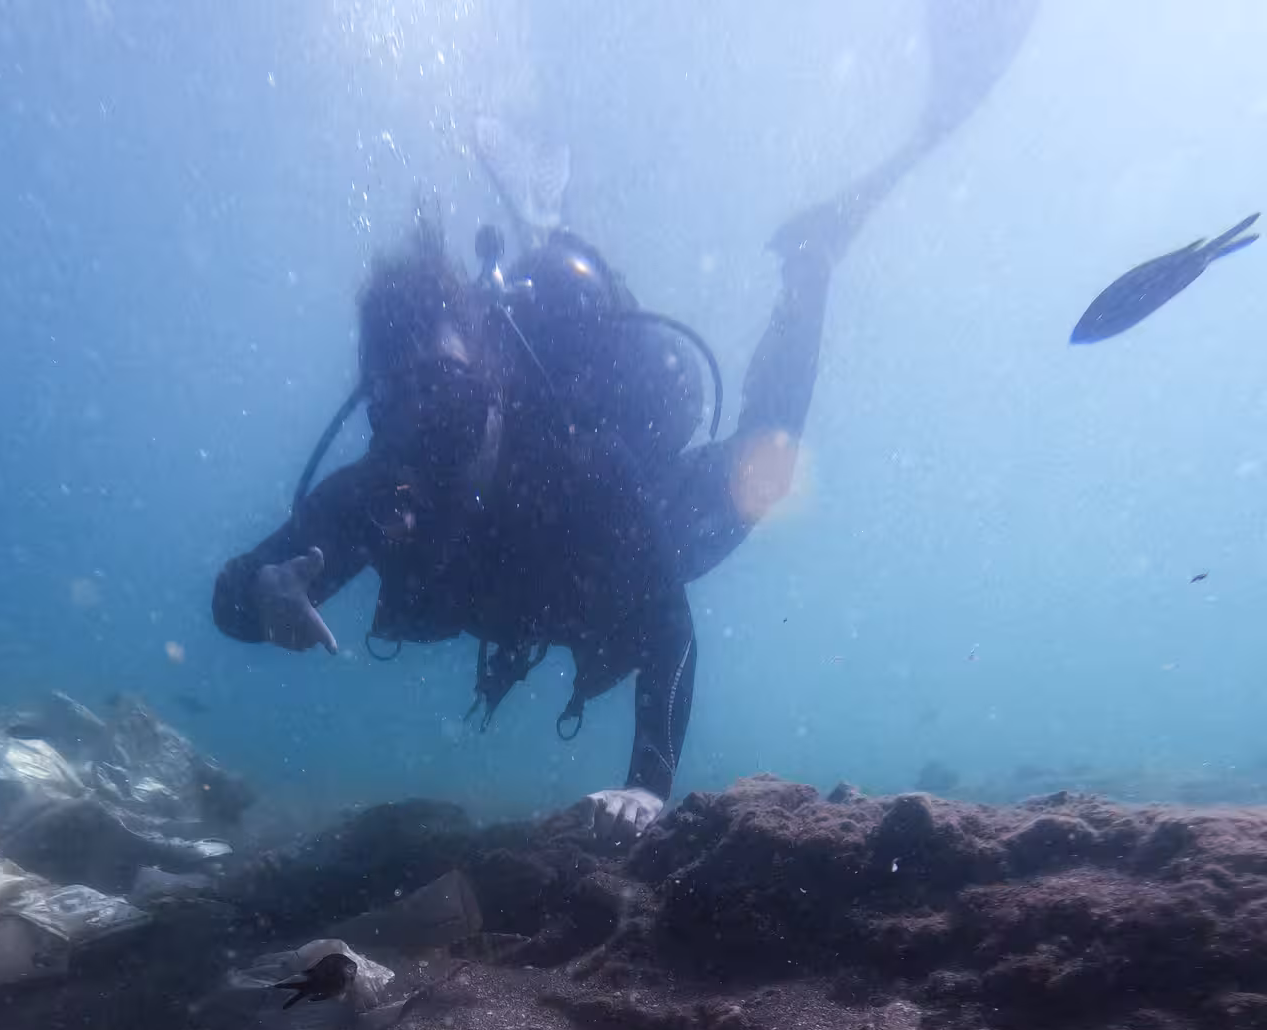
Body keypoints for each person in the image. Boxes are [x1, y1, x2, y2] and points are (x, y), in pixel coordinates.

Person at [213, 0, 1039, 839]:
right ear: (376, 407)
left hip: (648, 519)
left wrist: (649, 781)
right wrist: (260, 593)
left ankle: (809, 264)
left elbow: (665, 621)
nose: (429, 433)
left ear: (493, 385)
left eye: (450, 398)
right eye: (400, 405)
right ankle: (548, 220)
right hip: (548, 592)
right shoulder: (373, 497)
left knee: (768, 467)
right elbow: (234, 594)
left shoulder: (577, 467)